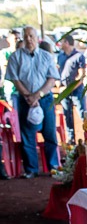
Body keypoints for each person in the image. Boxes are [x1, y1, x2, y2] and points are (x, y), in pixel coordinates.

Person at [4, 25, 61, 178]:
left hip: (45, 99)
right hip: (25, 100)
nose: (29, 39)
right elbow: (15, 79)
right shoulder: (15, 57)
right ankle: (31, 169)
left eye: (31, 36)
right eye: (26, 36)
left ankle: (53, 166)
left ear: (37, 38)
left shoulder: (46, 56)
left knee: (49, 133)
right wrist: (29, 96)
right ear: (23, 38)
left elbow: (52, 78)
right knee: (28, 136)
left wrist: (38, 95)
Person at [56, 35, 87, 145]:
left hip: (76, 89)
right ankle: (71, 138)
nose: (60, 45)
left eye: (62, 42)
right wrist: (59, 86)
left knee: (82, 113)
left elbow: (82, 75)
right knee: (67, 114)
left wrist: (71, 87)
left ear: (67, 43)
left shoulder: (79, 56)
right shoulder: (60, 56)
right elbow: (58, 71)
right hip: (64, 89)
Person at [1, 29, 20, 106]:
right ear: (8, 39)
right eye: (15, 38)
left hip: (24, 90)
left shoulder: (22, 53)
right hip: (11, 89)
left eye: (18, 38)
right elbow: (6, 68)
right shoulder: (4, 53)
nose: (17, 40)